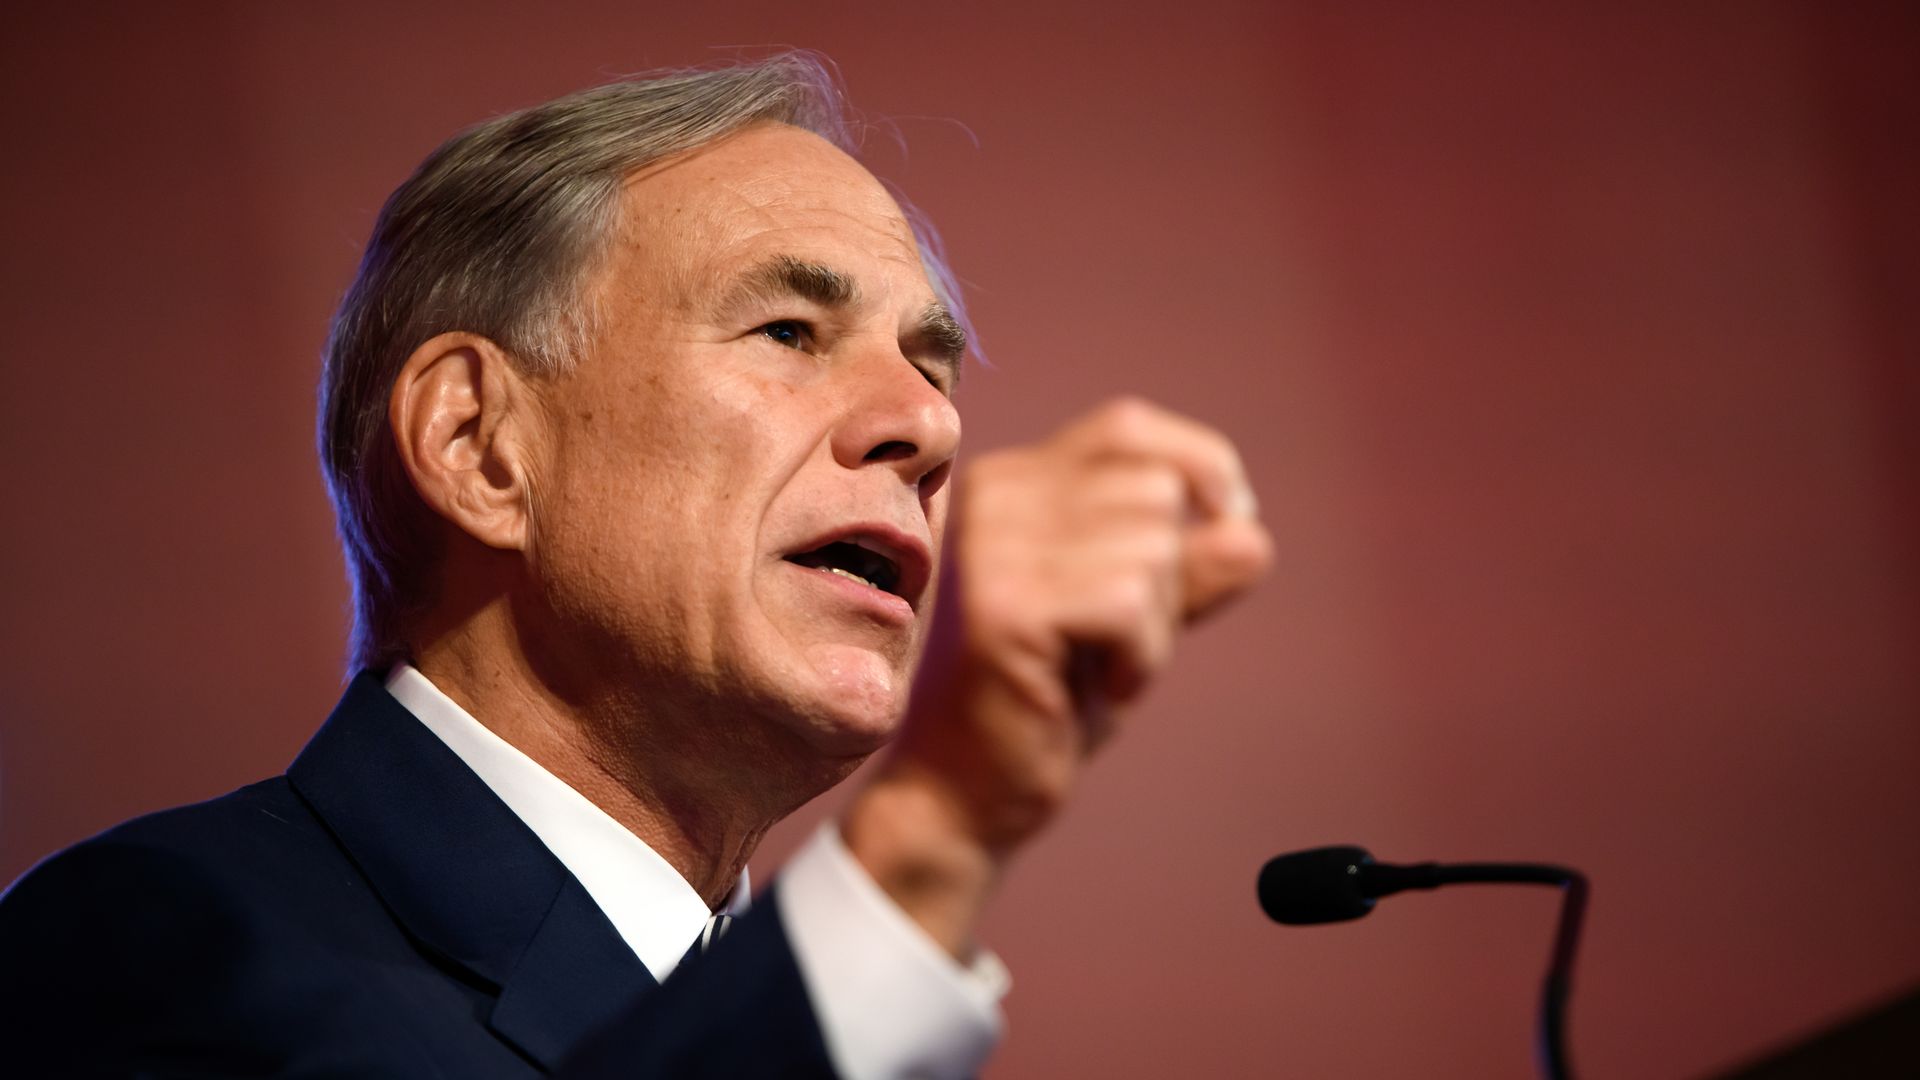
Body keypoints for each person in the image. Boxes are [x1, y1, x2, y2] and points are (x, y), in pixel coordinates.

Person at [0, 52, 1271, 1077]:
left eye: (930, 367)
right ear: (478, 443)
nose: (929, 425)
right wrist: (931, 837)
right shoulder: (161, 949)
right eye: (788, 329)